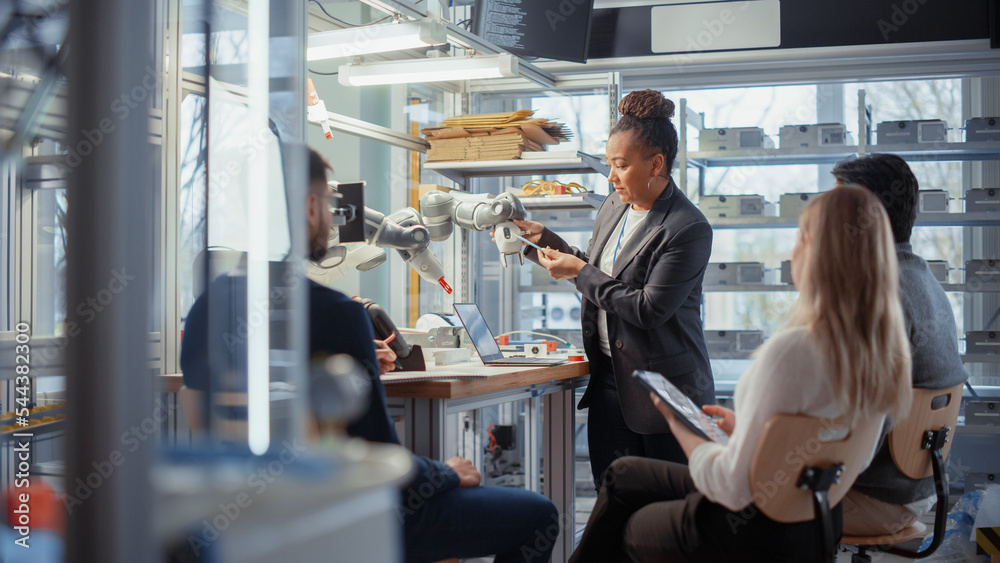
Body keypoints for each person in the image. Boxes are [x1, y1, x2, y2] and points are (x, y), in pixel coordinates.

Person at [181, 148, 558, 563]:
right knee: (538, 515)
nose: (334, 215)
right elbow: (383, 464)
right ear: (309, 208)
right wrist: (449, 472)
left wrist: (355, 366)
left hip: (244, 514)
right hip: (345, 515)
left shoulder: (208, 306)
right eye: (328, 200)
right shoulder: (335, 313)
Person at [568, 186, 913, 562]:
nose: (792, 252)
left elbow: (730, 489)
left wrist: (681, 423)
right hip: (810, 518)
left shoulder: (793, 351)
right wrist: (753, 429)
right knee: (623, 474)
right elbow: (836, 451)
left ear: (818, 253)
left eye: (800, 238)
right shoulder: (883, 355)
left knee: (630, 525)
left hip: (749, 525)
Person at [515, 89, 714, 488]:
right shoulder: (613, 207)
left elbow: (647, 309)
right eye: (609, 164)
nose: (610, 177)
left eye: (620, 165)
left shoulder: (687, 228)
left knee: (662, 515)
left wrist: (580, 272)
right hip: (611, 382)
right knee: (614, 502)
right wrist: (543, 242)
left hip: (665, 391)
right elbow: (597, 274)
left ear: (656, 164)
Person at [831, 153, 968, 536]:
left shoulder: (877, 296)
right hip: (916, 489)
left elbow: (857, 439)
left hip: (876, 495)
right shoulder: (922, 278)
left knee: (726, 507)